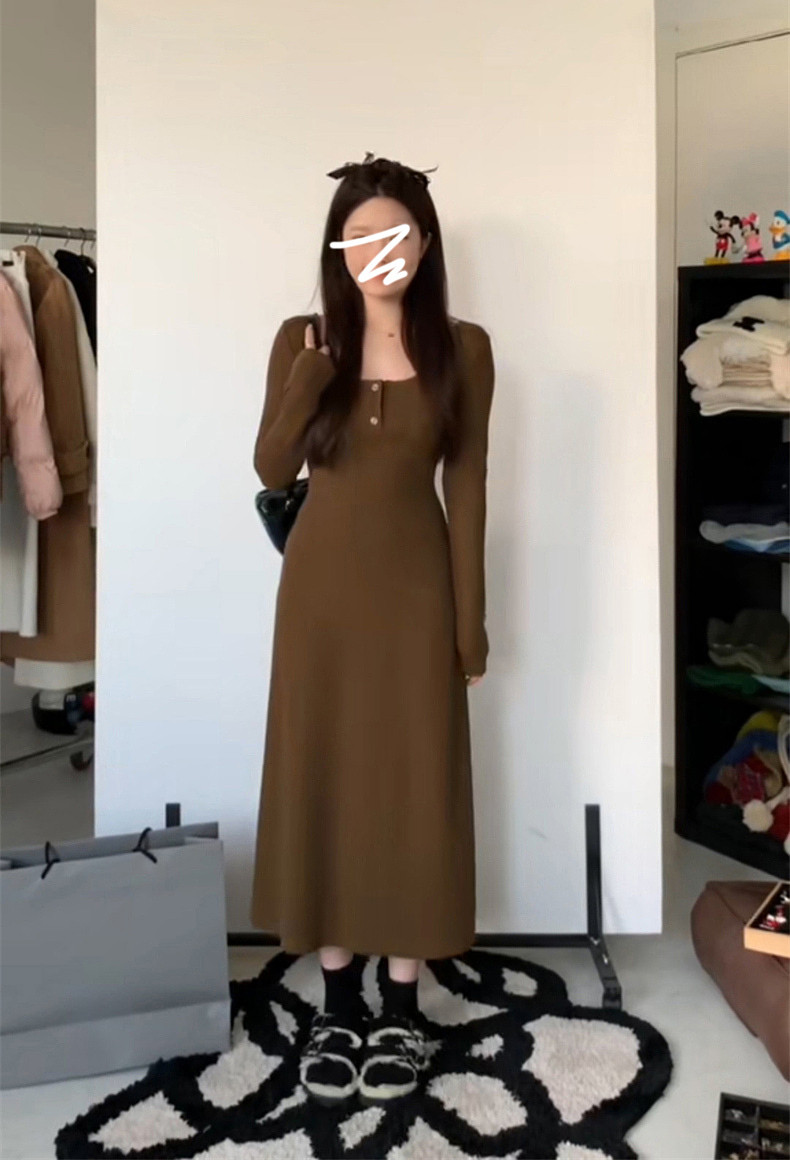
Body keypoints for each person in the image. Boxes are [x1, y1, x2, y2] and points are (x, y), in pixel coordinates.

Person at [250, 153, 495, 1108]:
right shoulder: (300, 338)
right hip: (318, 601)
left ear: (423, 243)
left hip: (418, 595)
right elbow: (272, 466)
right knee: (327, 777)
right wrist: (312, 375)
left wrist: (470, 629)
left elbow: (467, 491)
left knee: (411, 786)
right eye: (358, 236)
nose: (377, 252)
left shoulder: (464, 349)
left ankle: (401, 1002)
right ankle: (339, 1003)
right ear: (337, 247)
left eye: (394, 234)